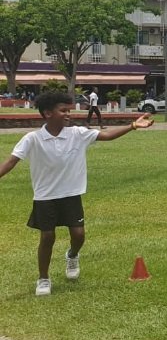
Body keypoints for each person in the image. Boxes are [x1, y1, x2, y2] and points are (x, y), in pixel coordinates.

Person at [0, 91, 154, 296]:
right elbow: (11, 161)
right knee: (47, 237)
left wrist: (132, 126)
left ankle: (72, 255)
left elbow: (106, 136)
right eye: (63, 110)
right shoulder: (33, 139)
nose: (67, 114)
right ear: (47, 114)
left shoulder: (77, 133)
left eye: (69, 111)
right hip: (45, 196)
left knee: (79, 235)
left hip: (71, 193)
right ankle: (43, 278)